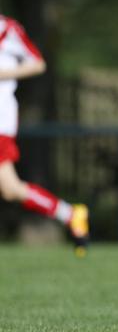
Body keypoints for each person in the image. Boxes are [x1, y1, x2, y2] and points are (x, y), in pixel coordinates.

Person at [0, 15, 89, 255]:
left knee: (10, 187)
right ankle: (70, 215)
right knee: (10, 188)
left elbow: (37, 63)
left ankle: (70, 215)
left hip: (1, 119)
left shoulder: (6, 29)